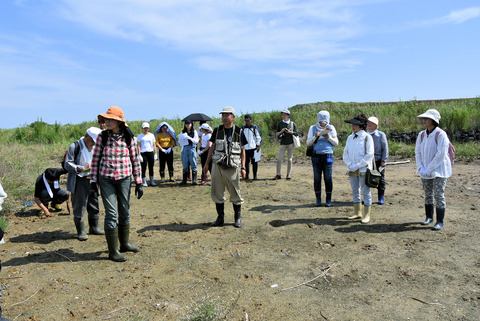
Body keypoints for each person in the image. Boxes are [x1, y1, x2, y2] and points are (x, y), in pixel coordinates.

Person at [91, 106, 143, 262]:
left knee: (125, 211)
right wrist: (93, 182)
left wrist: (139, 182)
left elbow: (135, 160)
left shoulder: (129, 138)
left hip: (124, 179)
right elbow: (95, 160)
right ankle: (113, 251)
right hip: (106, 179)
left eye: (110, 119)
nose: (106, 121)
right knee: (111, 214)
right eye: (105, 119)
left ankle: (124, 244)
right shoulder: (102, 137)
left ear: (119, 121)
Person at [204, 106, 246, 227]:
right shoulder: (217, 130)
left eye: (227, 115)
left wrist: (243, 167)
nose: (224, 117)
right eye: (222, 115)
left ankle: (237, 218)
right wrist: (206, 164)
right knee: (217, 192)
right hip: (217, 166)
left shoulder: (239, 131)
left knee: (235, 193)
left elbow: (243, 150)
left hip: (232, 167)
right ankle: (220, 218)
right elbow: (212, 148)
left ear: (233, 117)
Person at [64, 127, 104, 241]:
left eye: (95, 142)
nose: (93, 143)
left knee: (94, 203)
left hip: (92, 179)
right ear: (86, 136)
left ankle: (94, 227)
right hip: (79, 180)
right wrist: (81, 168)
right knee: (80, 205)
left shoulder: (95, 147)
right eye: (92, 141)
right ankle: (81, 231)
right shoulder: (74, 147)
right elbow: (67, 164)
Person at [415, 109, 452, 230]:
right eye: (423, 118)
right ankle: (429, 217)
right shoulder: (421, 134)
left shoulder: (440, 134)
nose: (424, 120)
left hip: (439, 171)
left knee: (438, 195)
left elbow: (441, 154)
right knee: (428, 194)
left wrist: (430, 168)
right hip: (425, 170)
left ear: (434, 120)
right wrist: (421, 167)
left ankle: (440, 221)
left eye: (427, 118)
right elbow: (418, 151)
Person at [343, 114, 374, 224]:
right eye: (352, 124)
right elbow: (345, 153)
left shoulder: (367, 137)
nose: (353, 126)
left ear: (361, 126)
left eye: (355, 124)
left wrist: (357, 166)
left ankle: (366, 214)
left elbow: (369, 155)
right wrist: (350, 165)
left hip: (363, 169)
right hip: (352, 168)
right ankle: (357, 212)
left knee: (366, 192)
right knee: (355, 191)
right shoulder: (350, 137)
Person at [306, 111, 339, 207]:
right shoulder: (312, 128)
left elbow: (336, 143)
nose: (323, 124)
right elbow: (308, 143)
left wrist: (328, 137)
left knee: (328, 178)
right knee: (317, 178)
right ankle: (318, 199)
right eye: (321, 122)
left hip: (328, 156)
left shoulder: (331, 128)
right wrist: (315, 136)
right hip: (316, 156)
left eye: (325, 122)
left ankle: (328, 200)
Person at [366, 116, 389, 205]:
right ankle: (368, 198)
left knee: (380, 179)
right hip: (367, 160)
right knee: (367, 179)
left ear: (376, 125)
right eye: (368, 123)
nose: (369, 125)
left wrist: (384, 160)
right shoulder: (365, 134)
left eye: (371, 123)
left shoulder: (381, 135)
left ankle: (381, 197)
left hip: (378, 160)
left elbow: (385, 148)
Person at [273, 109, 298, 180]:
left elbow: (296, 133)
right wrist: (282, 131)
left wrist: (289, 132)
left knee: (290, 159)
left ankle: (288, 174)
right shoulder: (280, 124)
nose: (283, 116)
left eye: (285, 114)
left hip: (290, 143)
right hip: (283, 143)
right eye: (282, 114)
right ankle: (278, 174)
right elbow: (276, 134)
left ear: (288, 115)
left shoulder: (292, 124)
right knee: (279, 159)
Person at [241, 114, 262, 180]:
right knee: (246, 162)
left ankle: (255, 176)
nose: (247, 121)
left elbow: (258, 137)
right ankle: (247, 176)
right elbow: (241, 137)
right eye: (246, 120)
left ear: (251, 120)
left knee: (255, 162)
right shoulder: (243, 127)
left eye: (248, 120)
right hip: (246, 148)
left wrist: (258, 145)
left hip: (254, 147)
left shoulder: (255, 127)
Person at [178, 119, 199, 185]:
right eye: (186, 124)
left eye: (189, 124)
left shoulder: (194, 132)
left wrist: (190, 138)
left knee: (193, 163)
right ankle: (184, 180)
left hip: (191, 148)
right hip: (185, 148)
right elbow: (180, 140)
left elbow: (196, 141)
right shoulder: (183, 132)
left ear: (191, 124)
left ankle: (194, 180)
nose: (187, 125)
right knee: (185, 164)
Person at [137, 122, 157, 187]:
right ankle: (144, 181)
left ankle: (152, 181)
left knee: (151, 167)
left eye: (147, 128)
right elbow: (139, 146)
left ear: (149, 128)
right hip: (143, 153)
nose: (146, 129)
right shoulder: (140, 136)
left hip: (150, 152)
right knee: (144, 167)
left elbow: (154, 145)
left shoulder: (152, 135)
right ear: (142, 128)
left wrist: (156, 153)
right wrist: (139, 154)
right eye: (144, 128)